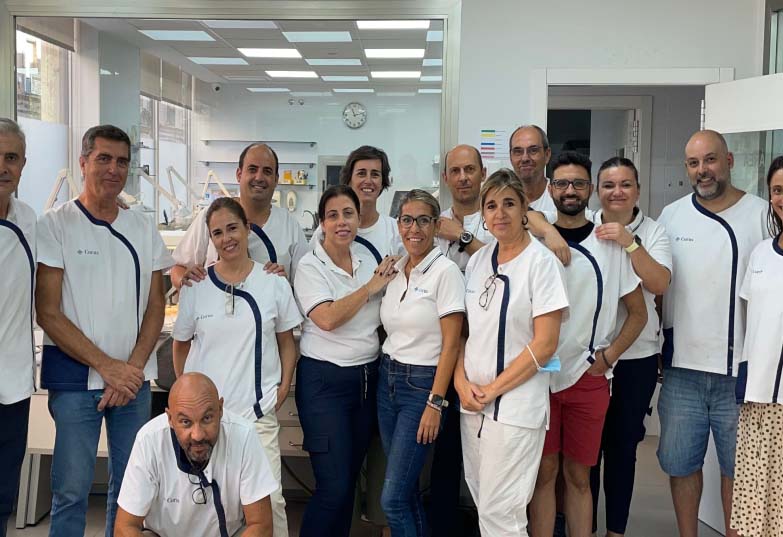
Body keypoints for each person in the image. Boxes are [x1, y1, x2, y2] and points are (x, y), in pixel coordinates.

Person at [35, 124, 173, 537]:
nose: (114, 169)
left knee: (131, 493)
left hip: (132, 383)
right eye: (104, 159)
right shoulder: (55, 224)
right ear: (83, 163)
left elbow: (155, 305)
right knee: (71, 491)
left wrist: (130, 370)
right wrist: (108, 367)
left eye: (122, 162)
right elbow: (48, 312)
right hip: (75, 380)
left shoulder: (142, 227)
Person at [657, 130, 769, 537]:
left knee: (737, 469)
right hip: (682, 369)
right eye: (693, 163)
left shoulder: (761, 214)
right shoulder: (671, 216)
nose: (702, 170)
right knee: (680, 465)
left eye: (710, 160)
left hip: (741, 373)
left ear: (729, 160)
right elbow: (658, 286)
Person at [529, 151, 647, 537]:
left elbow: (638, 313)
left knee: (579, 477)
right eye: (562, 183)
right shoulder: (534, 242)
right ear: (550, 188)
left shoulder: (609, 245)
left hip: (588, 378)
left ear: (590, 189)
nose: (570, 190)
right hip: (539, 377)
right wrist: (543, 229)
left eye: (578, 183)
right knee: (543, 475)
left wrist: (608, 357)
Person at [171, 196, 302, 537]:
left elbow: (287, 342)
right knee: (210, 503)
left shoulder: (273, 282)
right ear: (210, 240)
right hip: (206, 419)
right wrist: (186, 395)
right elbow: (180, 344)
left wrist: (283, 386)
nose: (226, 238)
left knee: (270, 502)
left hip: (256, 414)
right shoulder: (197, 287)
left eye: (232, 228)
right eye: (217, 233)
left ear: (247, 229)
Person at [454, 169, 569, 536]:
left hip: (516, 408)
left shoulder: (541, 263)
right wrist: (459, 383)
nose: (499, 213)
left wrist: (493, 389)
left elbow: (545, 344)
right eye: (491, 206)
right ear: (483, 215)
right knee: (484, 505)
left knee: (502, 514)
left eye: (508, 203)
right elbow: (464, 332)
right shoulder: (478, 261)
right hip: (473, 404)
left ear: (524, 210)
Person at [293, 185, 397, 537]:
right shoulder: (310, 266)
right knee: (333, 486)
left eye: (348, 214)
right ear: (322, 223)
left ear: (358, 218)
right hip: (325, 384)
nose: (342, 222)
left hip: (367, 380)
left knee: (348, 482)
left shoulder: (367, 258)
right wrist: (369, 288)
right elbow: (327, 318)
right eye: (333, 215)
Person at [588, 157, 672, 537]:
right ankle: (584, 528)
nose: (617, 192)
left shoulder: (654, 231)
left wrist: (629, 242)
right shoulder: (586, 225)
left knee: (622, 449)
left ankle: (616, 531)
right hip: (589, 358)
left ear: (638, 190)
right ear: (597, 190)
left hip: (636, 358)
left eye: (625, 184)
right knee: (587, 451)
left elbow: (659, 283)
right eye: (608, 185)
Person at [377, 189, 464, 536]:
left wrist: (435, 403)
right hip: (387, 380)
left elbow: (452, 344)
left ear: (437, 225)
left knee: (392, 499)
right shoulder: (396, 269)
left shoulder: (446, 272)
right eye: (407, 220)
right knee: (406, 492)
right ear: (398, 224)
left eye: (423, 220)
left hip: (422, 386)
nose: (414, 228)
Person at [114, 373, 277, 537]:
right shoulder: (149, 440)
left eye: (207, 418)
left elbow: (261, 525)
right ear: (170, 418)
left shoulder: (244, 435)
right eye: (186, 422)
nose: (198, 435)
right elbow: (124, 527)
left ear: (220, 409)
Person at [730, 155, 783, 537]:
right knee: (755, 507)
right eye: (778, 190)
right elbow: (753, 320)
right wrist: (745, 377)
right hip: (759, 401)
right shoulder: (762, 253)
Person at [171, 142, 308, 287]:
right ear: (239, 174)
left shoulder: (289, 226)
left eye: (267, 171)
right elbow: (178, 268)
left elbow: (306, 284)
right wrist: (188, 284)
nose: (259, 177)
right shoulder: (212, 217)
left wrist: (284, 286)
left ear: (275, 180)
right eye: (252, 169)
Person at [0, 118, 35, 537]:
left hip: (13, 386)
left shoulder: (28, 221)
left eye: (11, 157)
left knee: (3, 495)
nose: (2, 167)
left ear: (23, 164)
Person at [310, 145, 403, 261]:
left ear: (382, 182)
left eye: (375, 174)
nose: (368, 181)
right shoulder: (326, 231)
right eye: (361, 174)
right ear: (349, 180)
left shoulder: (395, 231)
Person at [509, 125, 557, 212]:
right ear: (511, 157)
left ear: (547, 155)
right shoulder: (500, 199)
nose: (525, 158)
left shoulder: (560, 197)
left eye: (533, 150)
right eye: (518, 151)